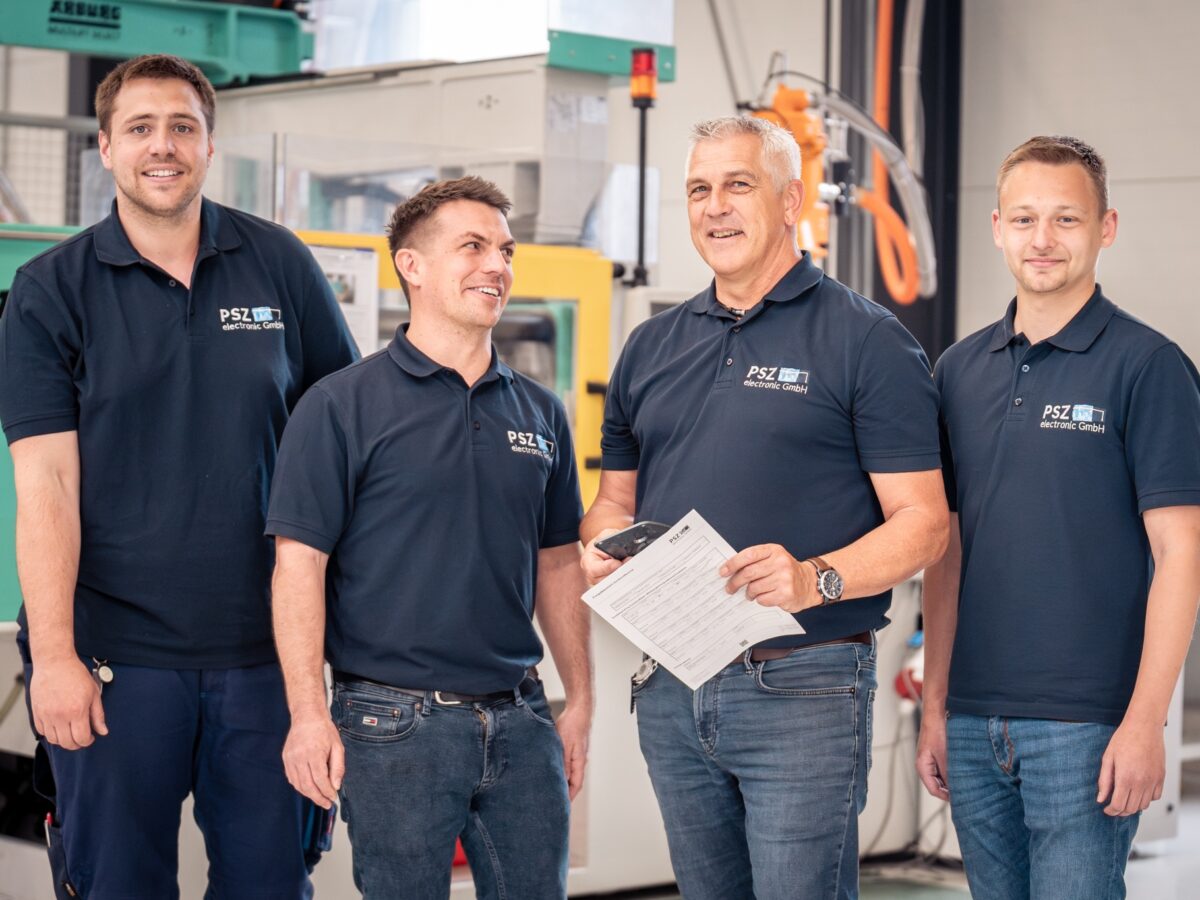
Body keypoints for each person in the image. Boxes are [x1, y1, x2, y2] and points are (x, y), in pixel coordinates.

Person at [0, 54, 359, 898]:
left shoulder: (280, 264)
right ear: (105, 147)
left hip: (268, 657)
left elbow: (346, 439)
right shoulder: (50, 291)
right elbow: (45, 487)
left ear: (208, 143)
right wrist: (54, 657)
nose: (162, 146)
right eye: (140, 128)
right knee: (116, 885)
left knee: (271, 885)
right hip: (114, 659)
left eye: (181, 126)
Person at [579, 115, 948, 900]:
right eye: (698, 190)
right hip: (674, 685)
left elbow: (925, 524)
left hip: (804, 687)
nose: (715, 207)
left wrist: (814, 577)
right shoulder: (650, 346)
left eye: (738, 185)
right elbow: (613, 501)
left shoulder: (867, 341)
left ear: (790, 201)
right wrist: (604, 545)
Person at [266, 176, 593, 900]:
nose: (496, 266)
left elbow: (559, 563)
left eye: (505, 250)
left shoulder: (541, 413)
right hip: (392, 725)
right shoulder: (340, 406)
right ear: (411, 266)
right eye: (472, 247)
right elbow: (298, 567)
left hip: (522, 716)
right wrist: (308, 713)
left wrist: (580, 701)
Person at [917, 135, 1200, 900]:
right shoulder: (956, 372)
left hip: (1087, 725)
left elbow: (1182, 554)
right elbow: (946, 552)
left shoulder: (1150, 366)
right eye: (1024, 218)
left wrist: (1145, 722)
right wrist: (936, 706)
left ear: (1106, 228)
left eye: (1066, 219)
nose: (1042, 239)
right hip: (972, 720)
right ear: (997, 227)